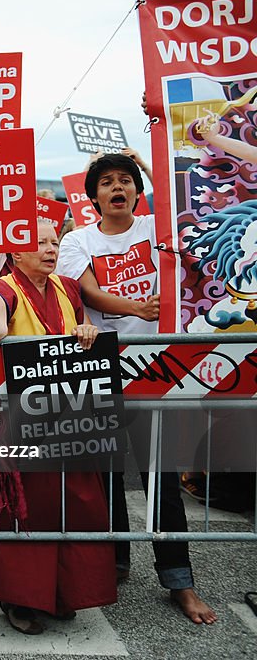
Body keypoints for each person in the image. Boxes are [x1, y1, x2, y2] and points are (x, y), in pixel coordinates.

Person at [56, 152, 216, 625]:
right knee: (104, 474)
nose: (117, 188)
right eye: (106, 183)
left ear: (137, 190)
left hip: (157, 369)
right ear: (94, 197)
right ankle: (115, 562)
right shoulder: (76, 239)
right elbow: (83, 291)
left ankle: (178, 579)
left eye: (125, 180)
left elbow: (182, 203)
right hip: (100, 368)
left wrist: (147, 160)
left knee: (160, 478)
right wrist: (135, 307)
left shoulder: (156, 229)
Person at [0, 220, 116, 634]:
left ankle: (66, 591)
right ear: (15, 254)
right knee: (26, 508)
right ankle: (21, 598)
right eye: (39, 242)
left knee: (75, 503)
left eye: (53, 241)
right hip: (20, 420)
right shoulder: (3, 289)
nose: (50, 249)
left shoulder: (68, 287)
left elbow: (83, 334)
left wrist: (87, 330)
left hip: (70, 418)